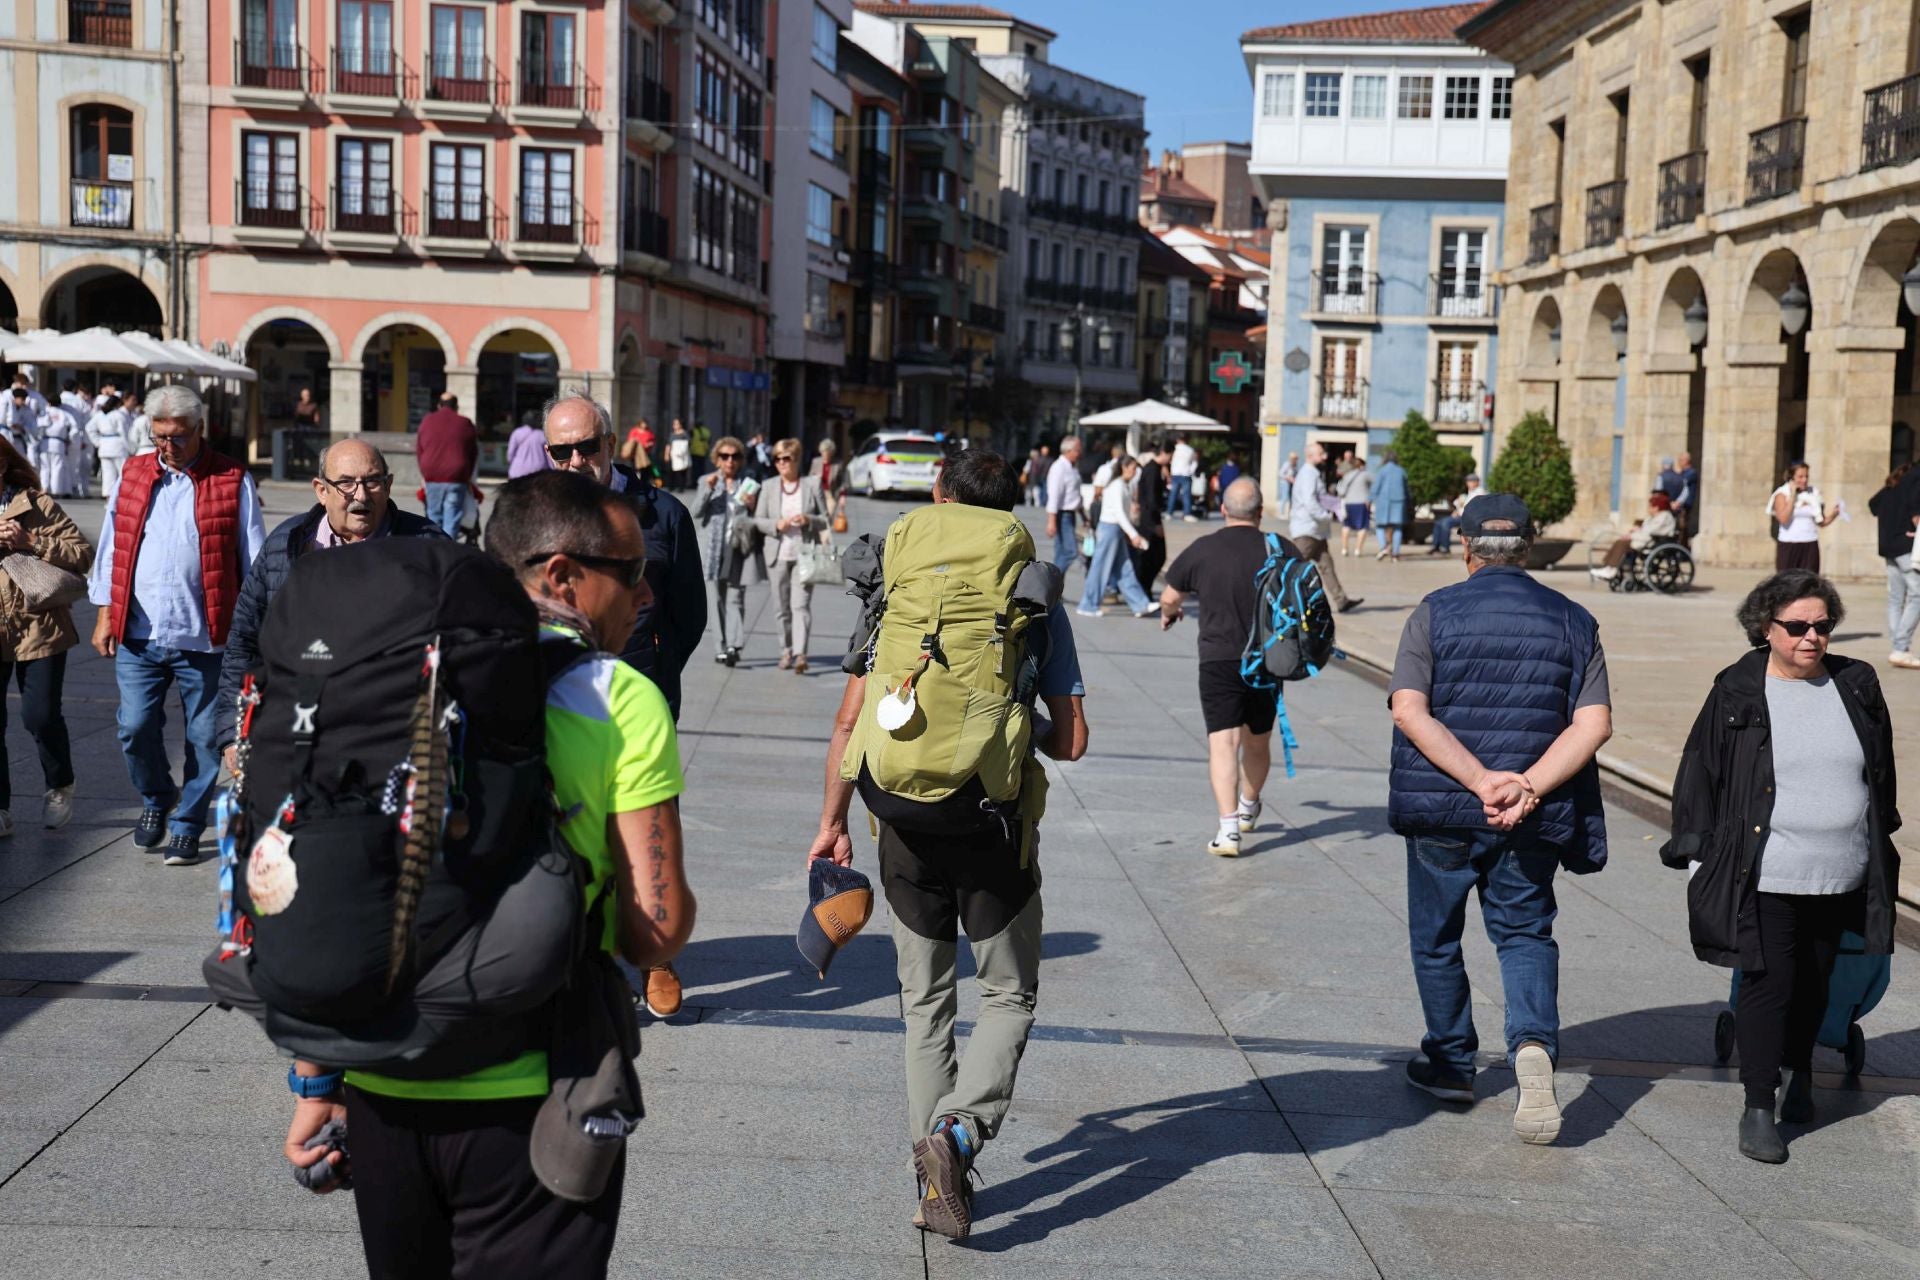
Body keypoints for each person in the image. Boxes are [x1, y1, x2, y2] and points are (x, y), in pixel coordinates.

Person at [284, 468, 697, 1278]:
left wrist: (315, 1079)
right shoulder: (619, 697)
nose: (645, 597)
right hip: (535, 1090)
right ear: (561, 575)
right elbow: (656, 931)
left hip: (382, 1082)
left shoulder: (388, 666)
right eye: (633, 573)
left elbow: (330, 876)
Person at [808, 448, 1088, 1242]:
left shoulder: (897, 580)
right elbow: (1070, 740)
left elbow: (849, 718)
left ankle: (929, 1178)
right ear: (1013, 508)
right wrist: (1004, 722)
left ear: (938, 496)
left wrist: (830, 822)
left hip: (896, 814)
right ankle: (958, 1138)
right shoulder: (1030, 592)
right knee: (1008, 994)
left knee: (925, 1003)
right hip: (988, 823)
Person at [1387, 493, 1612, 1146]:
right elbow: (1593, 724)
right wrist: (1527, 787)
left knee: (1437, 936)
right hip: (1532, 815)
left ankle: (1453, 1061)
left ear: (1465, 546)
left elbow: (1409, 709)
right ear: (1531, 544)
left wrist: (1479, 780)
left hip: (1444, 809)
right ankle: (1534, 1048)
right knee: (1524, 934)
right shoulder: (1574, 619)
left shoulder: (1433, 614)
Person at [1664, 571, 1898, 1164]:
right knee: (1769, 984)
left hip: (1841, 867)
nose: (1811, 637)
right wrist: (1695, 850)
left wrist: (1880, 835)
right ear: (1766, 628)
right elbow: (1701, 770)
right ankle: (1759, 1105)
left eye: (1822, 625)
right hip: (1765, 868)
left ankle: (1799, 1075)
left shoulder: (1857, 683)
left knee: (1817, 980)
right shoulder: (1738, 688)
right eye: (1797, 627)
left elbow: (1880, 767)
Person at [87, 384, 265, 865]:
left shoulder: (232, 478)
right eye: (160, 435)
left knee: (205, 738)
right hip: (139, 634)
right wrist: (105, 612)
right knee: (134, 726)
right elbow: (112, 547)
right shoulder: (134, 472)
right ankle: (155, 797)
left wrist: (255, 633)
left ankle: (187, 823)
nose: (168, 446)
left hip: (207, 637)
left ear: (200, 429)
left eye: (178, 436)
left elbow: (254, 560)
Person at [216, 439, 446, 766]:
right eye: (346, 484)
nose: (362, 496)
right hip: (294, 737)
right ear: (321, 490)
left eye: (373, 482)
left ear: (389, 485)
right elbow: (243, 642)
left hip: (392, 743)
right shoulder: (286, 544)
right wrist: (233, 732)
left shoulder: (428, 547)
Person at [542, 393, 706, 724]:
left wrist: (658, 661)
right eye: (562, 452)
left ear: (610, 444)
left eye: (587, 447)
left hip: (640, 695)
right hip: (558, 699)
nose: (576, 461)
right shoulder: (532, 516)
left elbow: (689, 616)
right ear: (549, 454)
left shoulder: (665, 515)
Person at [1159, 477, 1290, 857]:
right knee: (1258, 740)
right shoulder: (1279, 548)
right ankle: (1249, 805)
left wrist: (1171, 613)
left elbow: (1169, 597)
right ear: (1260, 513)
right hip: (1268, 658)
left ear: (1223, 510)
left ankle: (1228, 830)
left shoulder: (1204, 548)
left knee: (1223, 742)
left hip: (1218, 657)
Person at [0, 436, 93, 835]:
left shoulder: (36, 504)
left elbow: (82, 555)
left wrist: (30, 541)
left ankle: (59, 784)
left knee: (39, 715)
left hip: (40, 625)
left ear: (3, 467)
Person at [753, 438, 831, 674]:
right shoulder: (768, 486)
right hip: (777, 554)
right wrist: (776, 524)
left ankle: (800, 654)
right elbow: (758, 520)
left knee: (801, 605)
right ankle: (785, 650)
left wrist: (808, 519)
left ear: (796, 460)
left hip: (805, 554)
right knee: (781, 607)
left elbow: (825, 518)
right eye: (777, 459)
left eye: (786, 458)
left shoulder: (811, 485)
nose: (781, 463)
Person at [696, 435, 761, 666]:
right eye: (724, 456)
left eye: (734, 456)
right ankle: (720, 647)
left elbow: (756, 516)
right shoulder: (707, 480)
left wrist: (753, 505)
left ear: (741, 459)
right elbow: (695, 511)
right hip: (713, 550)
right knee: (716, 600)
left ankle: (734, 645)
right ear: (717, 459)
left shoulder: (749, 482)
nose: (729, 461)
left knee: (736, 597)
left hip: (737, 547)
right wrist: (707, 490)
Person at [1077, 455, 1154, 618]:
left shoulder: (1122, 485)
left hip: (1114, 528)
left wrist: (1130, 533)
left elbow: (1122, 513)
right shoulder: (1118, 485)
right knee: (1101, 568)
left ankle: (1140, 604)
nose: (1135, 472)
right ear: (1124, 468)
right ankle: (1088, 605)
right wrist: (1133, 534)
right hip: (1110, 528)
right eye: (1133, 469)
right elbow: (1119, 513)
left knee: (1124, 569)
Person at [1289, 442, 1360, 614]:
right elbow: (1309, 501)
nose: (1325, 456)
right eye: (1321, 453)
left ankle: (1341, 600)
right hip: (1307, 531)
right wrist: (1325, 516)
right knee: (1295, 568)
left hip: (1316, 532)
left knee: (1327, 565)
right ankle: (1287, 603)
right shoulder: (1308, 475)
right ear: (1310, 455)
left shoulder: (1312, 473)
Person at [1868, 460, 1920, 668]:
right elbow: (1915, 509)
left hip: (1888, 546)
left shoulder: (1891, 488)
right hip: (1905, 546)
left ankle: (1898, 647)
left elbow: (1873, 505)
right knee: (1917, 595)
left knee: (1896, 597)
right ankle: (1900, 647)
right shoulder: (1915, 480)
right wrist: (1909, 524)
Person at [417, 392, 479, 538]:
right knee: (452, 517)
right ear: (456, 407)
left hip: (432, 475)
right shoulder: (465, 423)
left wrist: (425, 474)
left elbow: (420, 450)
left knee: (433, 516)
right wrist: (467, 476)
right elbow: (473, 452)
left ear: (439, 405)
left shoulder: (427, 421)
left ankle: (433, 552)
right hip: (456, 476)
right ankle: (448, 552)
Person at [1592, 491, 1678, 579]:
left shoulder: (1664, 517)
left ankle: (1612, 569)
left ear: (1656, 507)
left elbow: (1649, 532)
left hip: (1653, 542)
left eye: (1650, 506)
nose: (1648, 508)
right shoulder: (1654, 517)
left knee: (1622, 544)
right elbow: (1646, 530)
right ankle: (1608, 567)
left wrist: (1632, 535)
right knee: (1619, 542)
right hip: (1647, 539)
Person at [1770, 461, 1837, 573]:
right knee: (1787, 583)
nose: (1804, 480)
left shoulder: (1813, 493)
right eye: (1800, 477)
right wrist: (1793, 495)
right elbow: (1783, 518)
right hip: (1789, 544)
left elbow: (1821, 522)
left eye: (1806, 476)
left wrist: (1834, 514)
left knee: (1809, 583)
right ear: (1792, 477)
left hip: (1809, 543)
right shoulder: (1781, 494)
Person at [1044, 435, 1085, 572]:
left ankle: (1054, 590)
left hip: (1070, 514)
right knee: (1070, 552)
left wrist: (1083, 515)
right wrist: (1051, 521)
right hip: (1062, 515)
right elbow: (1054, 495)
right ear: (1069, 450)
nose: (1080, 453)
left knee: (1061, 554)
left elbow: (1075, 494)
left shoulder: (1072, 468)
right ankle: (1051, 579)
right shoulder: (1059, 468)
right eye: (1078, 449)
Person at [1132, 441, 1170, 590]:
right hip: (1150, 520)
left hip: (1148, 517)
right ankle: (1143, 588)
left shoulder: (1152, 468)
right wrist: (1156, 524)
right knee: (1155, 556)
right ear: (1165, 453)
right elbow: (1152, 499)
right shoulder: (1153, 470)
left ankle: (1144, 589)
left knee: (1151, 557)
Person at [1371, 450, 1409, 562]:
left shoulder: (1382, 471)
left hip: (1384, 501)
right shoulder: (1401, 471)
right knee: (1397, 528)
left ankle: (1384, 547)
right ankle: (1395, 554)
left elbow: (1376, 486)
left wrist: (1370, 499)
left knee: (1379, 526)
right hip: (1399, 502)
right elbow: (1406, 489)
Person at [36, 398, 78, 498]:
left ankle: (44, 488)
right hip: (59, 443)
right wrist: (70, 440)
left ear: (48, 403)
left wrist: (38, 439)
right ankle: (55, 491)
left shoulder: (44, 412)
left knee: (45, 467)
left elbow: (38, 427)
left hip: (45, 442)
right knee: (57, 468)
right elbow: (75, 429)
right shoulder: (65, 414)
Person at [1429, 474, 1481, 555]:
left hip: (1469, 518)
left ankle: (1445, 547)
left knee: (1446, 522)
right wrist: (1457, 510)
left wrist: (1461, 505)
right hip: (1461, 515)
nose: (1468, 483)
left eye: (1471, 481)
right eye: (1468, 481)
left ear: (1477, 482)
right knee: (1438, 522)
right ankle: (1435, 546)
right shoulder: (1470, 492)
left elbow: (1472, 506)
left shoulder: (1479, 492)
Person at [1337, 455, 1373, 557]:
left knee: (1346, 525)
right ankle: (1358, 549)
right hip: (1361, 503)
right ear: (1362, 465)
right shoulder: (1365, 475)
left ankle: (1344, 549)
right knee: (1362, 527)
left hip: (1348, 503)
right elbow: (1375, 484)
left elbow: (1341, 490)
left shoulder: (1347, 475)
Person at [812, 438, 849, 522]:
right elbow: (809, 479)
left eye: (828, 453)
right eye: (823, 452)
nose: (825, 455)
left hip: (830, 495)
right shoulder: (815, 462)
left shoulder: (838, 464)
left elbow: (842, 482)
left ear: (832, 453)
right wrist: (816, 477)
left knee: (828, 520)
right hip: (817, 494)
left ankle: (825, 533)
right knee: (817, 519)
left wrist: (842, 496)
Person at [1169, 434, 1198, 521]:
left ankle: (1169, 512)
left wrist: (1172, 470)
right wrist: (1190, 471)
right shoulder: (1190, 450)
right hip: (1185, 474)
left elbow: (1170, 461)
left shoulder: (1174, 449)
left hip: (1176, 473)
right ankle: (1187, 513)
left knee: (1173, 494)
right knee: (1186, 495)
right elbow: (1195, 462)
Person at [1674, 451, 1699, 539]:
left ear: (1686, 461)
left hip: (1685, 504)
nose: (1679, 462)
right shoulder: (1682, 473)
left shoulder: (1691, 473)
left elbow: (1683, 485)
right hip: (1680, 504)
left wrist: (1678, 502)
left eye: (1681, 460)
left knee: (1682, 525)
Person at [666, 420, 693, 491]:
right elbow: (668, 445)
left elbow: (688, 444)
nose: (675, 426)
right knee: (671, 472)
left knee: (682, 472)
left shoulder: (685, 434)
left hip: (682, 456)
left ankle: (681, 487)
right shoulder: (672, 434)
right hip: (673, 455)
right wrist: (666, 454)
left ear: (680, 425)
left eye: (676, 424)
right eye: (674, 424)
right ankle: (671, 487)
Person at [1023, 444, 1050, 508]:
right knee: (1033, 491)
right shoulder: (1032, 461)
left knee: (1032, 491)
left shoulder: (1032, 461)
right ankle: (1035, 503)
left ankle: (1032, 503)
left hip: (1032, 479)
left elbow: (1026, 470)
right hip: (1032, 479)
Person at [1277, 451, 1300, 518]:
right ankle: (1281, 513)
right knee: (1284, 497)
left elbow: (1295, 474)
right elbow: (1280, 474)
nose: (1296, 460)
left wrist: (1294, 479)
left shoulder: (1295, 466)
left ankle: (1290, 512)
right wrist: (1288, 477)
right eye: (1295, 458)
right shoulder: (1286, 464)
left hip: (1291, 483)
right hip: (1285, 482)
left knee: (1291, 498)